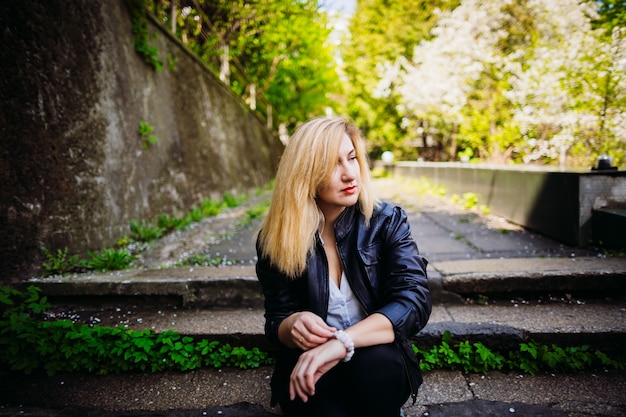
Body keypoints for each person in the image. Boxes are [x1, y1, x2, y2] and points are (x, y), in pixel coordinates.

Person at [255, 116, 431, 417]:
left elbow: (413, 300)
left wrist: (342, 342)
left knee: (376, 365)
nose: (350, 174)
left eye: (351, 158)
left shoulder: (386, 221)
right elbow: (276, 320)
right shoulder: (276, 238)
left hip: (376, 356)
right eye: (331, 164)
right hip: (313, 362)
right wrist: (291, 324)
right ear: (304, 173)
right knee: (311, 397)